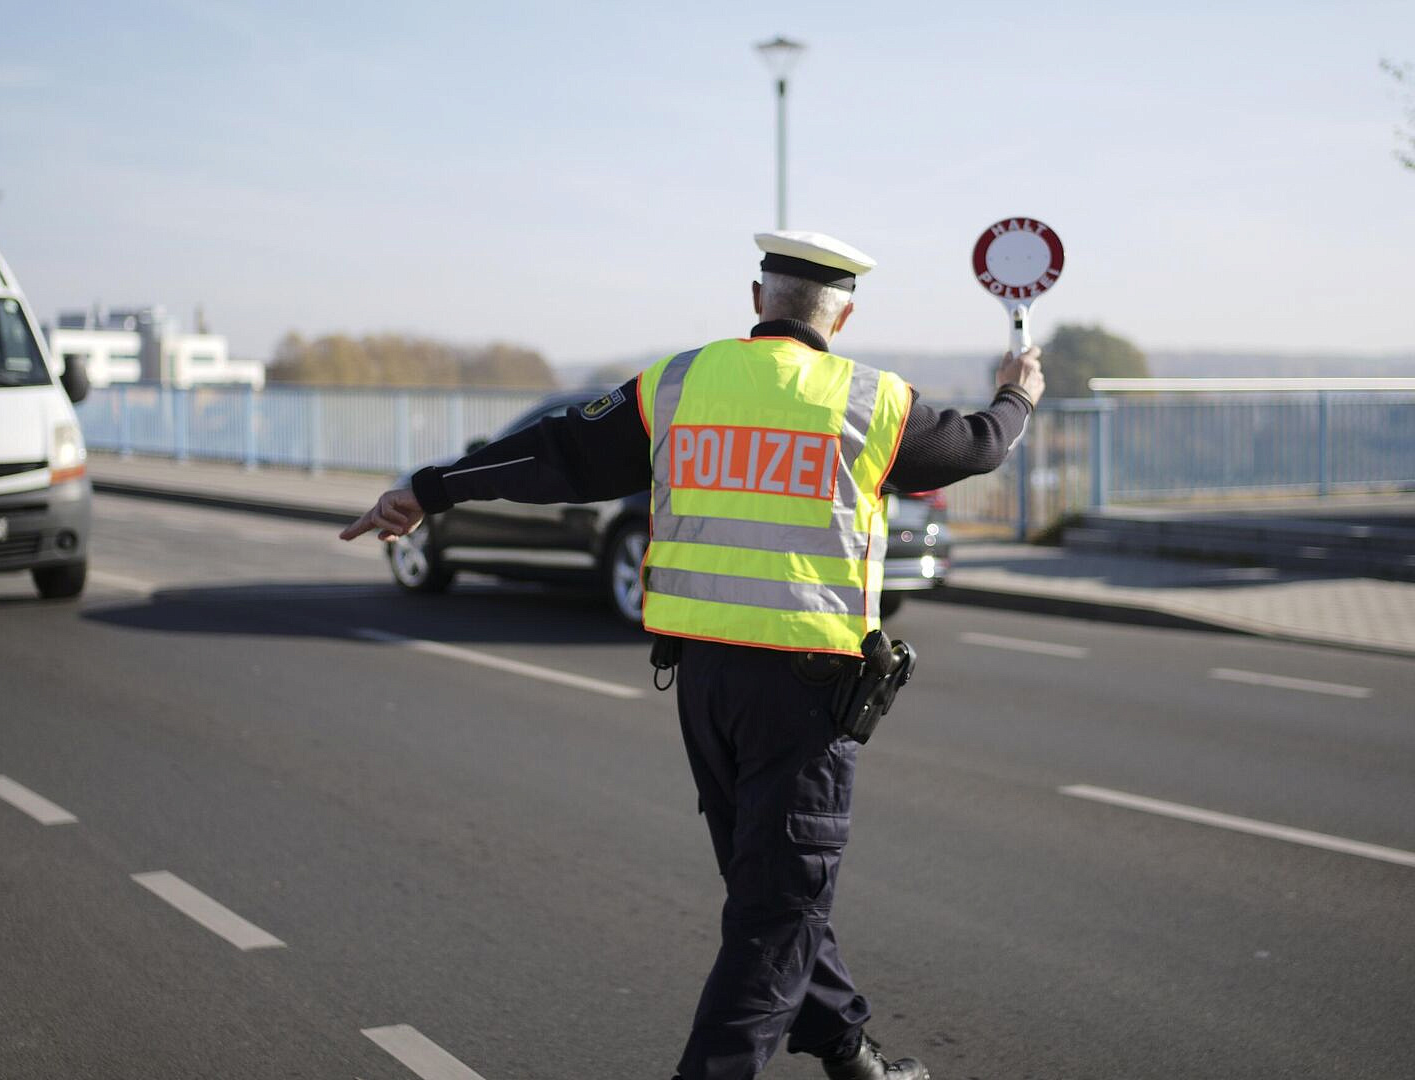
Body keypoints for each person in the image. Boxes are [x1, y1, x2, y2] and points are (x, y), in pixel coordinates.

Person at [340, 231, 1045, 1080]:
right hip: (805, 696)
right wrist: (1019, 395)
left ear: (758, 300)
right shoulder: (871, 402)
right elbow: (979, 445)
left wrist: (428, 489)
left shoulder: (678, 385)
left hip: (704, 685)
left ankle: (848, 1051)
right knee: (777, 911)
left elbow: (555, 452)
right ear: (844, 314)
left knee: (769, 892)